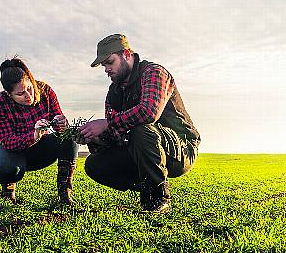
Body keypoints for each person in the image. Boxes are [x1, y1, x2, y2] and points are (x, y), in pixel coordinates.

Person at [77, 34, 200, 213]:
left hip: (181, 150)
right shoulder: (114, 92)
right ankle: (146, 185)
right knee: (94, 164)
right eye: (104, 66)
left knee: (140, 129)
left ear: (127, 54)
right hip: (141, 148)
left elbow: (149, 112)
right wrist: (94, 138)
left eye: (110, 62)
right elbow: (113, 136)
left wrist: (107, 124)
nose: (106, 70)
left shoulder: (154, 72)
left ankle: (159, 196)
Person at [0, 56, 78, 205]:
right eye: (20, 93)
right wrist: (34, 135)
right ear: (8, 94)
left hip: (38, 149)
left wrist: (61, 123)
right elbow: (8, 142)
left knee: (69, 137)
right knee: (9, 168)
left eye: (29, 88)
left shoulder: (45, 91)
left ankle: (65, 192)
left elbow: (59, 124)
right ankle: (8, 189)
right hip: (9, 150)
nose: (28, 96)